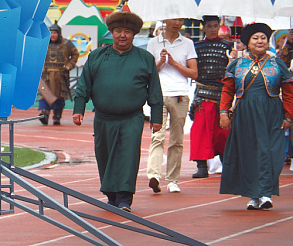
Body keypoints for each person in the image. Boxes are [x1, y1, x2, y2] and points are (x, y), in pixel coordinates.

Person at [73, 11, 163, 212]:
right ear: (112, 33)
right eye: (118, 31)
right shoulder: (97, 56)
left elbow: (155, 90)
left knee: (128, 156)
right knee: (103, 156)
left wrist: (157, 117)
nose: (123, 35)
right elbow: (84, 84)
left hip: (132, 118)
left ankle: (124, 198)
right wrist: (78, 108)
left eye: (128, 32)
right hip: (103, 118)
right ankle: (111, 195)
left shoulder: (145, 59)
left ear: (134, 35)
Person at [219, 23, 293, 210]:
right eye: (255, 38)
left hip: (271, 112)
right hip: (245, 113)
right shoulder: (237, 64)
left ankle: (266, 193)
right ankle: (253, 195)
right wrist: (223, 113)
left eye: (263, 38)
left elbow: (289, 92)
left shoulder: (277, 63)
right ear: (247, 43)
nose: (260, 41)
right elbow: (228, 90)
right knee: (248, 152)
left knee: (270, 152)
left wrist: (288, 116)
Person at [147, 18, 198, 193]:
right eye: (174, 19)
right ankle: (154, 175)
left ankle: (172, 180)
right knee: (157, 136)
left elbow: (194, 73)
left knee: (177, 139)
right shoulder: (154, 43)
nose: (177, 23)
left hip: (180, 95)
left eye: (180, 20)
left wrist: (174, 63)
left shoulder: (188, 43)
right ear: (166, 20)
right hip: (159, 95)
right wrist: (160, 62)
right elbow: (148, 71)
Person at [188, 16, 232, 178]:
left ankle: (227, 164)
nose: (213, 29)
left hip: (224, 93)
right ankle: (201, 166)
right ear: (204, 28)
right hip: (203, 93)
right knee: (201, 130)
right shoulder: (195, 47)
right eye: (209, 26)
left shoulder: (228, 46)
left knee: (223, 131)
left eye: (215, 26)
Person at [38, 23, 78, 125]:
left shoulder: (66, 43)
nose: (53, 35)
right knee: (45, 95)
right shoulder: (43, 43)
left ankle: (57, 116)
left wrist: (69, 65)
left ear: (59, 34)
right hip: (46, 75)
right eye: (51, 33)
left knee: (59, 97)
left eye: (55, 33)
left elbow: (75, 54)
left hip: (60, 76)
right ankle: (44, 115)